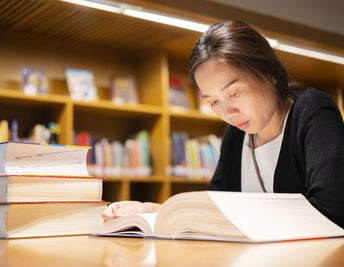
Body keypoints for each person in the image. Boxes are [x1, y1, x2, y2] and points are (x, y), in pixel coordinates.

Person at [102, 21, 344, 228]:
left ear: (269, 74)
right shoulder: (237, 134)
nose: (228, 112)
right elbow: (215, 206)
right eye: (214, 101)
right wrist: (152, 210)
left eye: (235, 93)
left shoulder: (312, 111)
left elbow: (330, 213)